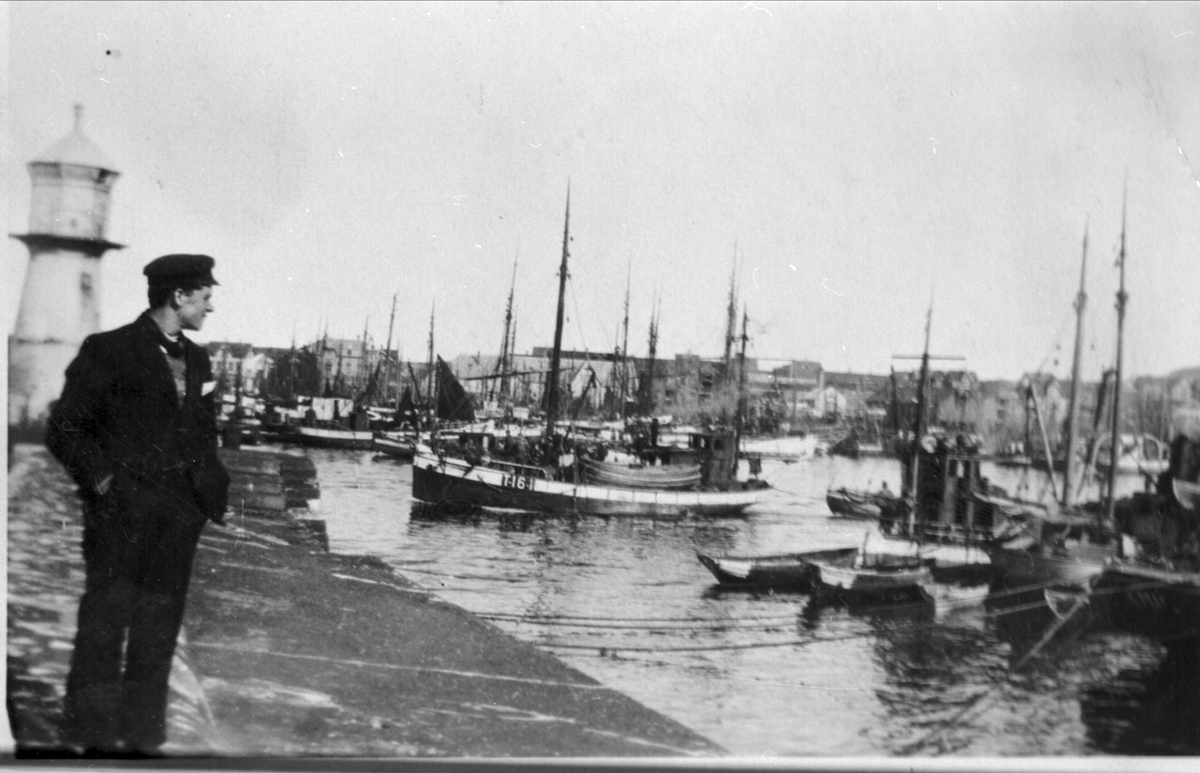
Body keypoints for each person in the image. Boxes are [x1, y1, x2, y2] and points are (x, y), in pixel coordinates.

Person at [46, 254, 230, 756]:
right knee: (106, 620)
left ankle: (142, 736)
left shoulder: (198, 359)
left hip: (177, 519)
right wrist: (104, 483)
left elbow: (201, 432)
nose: (211, 306)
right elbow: (66, 427)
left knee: (159, 625)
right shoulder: (109, 349)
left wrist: (208, 492)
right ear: (179, 297)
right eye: (205, 295)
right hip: (120, 516)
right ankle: (90, 734)